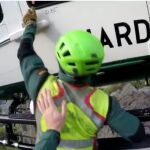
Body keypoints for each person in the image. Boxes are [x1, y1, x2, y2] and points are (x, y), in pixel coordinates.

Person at [17, 8, 145, 150]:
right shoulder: (103, 102)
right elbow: (136, 134)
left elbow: (24, 51)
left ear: (59, 60)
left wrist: (30, 25)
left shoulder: (40, 85)